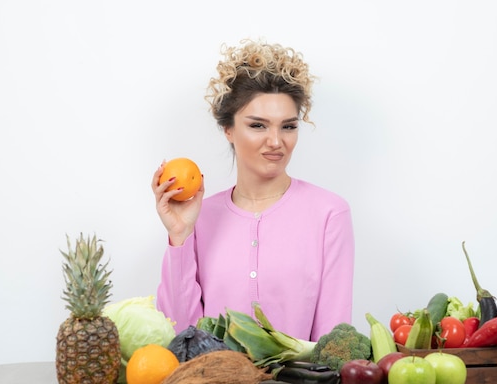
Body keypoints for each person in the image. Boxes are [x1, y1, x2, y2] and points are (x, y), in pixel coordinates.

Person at [152, 39, 354, 342]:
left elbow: (331, 342)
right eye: (258, 126)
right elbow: (181, 335)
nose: (276, 141)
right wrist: (179, 236)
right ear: (229, 130)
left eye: (288, 126)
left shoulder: (329, 214)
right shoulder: (199, 217)